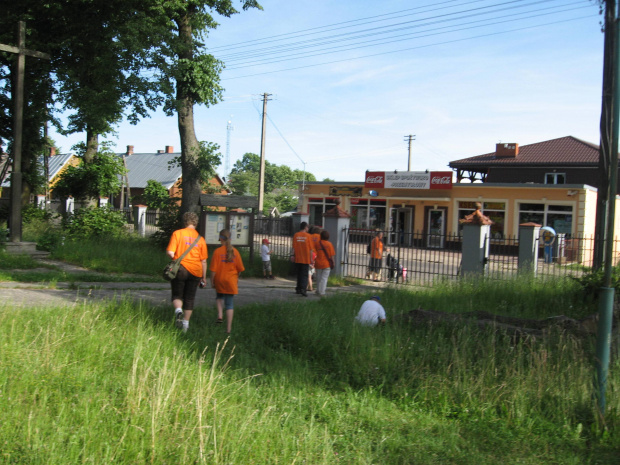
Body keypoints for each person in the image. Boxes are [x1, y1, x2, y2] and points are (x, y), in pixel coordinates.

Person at [166, 211, 208, 333]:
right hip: (196, 271)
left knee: (177, 295)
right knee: (190, 298)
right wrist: (204, 277)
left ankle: (178, 310)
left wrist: (174, 258)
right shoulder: (200, 239)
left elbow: (170, 252)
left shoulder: (177, 233)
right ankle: (185, 325)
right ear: (196, 223)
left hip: (181, 269)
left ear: (185, 221)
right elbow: (204, 261)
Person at [210, 229, 245, 334]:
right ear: (230, 238)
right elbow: (240, 269)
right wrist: (235, 278)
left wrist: (212, 281)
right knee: (229, 304)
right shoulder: (236, 252)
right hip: (231, 281)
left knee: (219, 297)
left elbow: (213, 270)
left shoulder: (217, 252)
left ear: (220, 238)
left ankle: (220, 315)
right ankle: (228, 329)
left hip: (219, 279)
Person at [292, 221, 314, 297]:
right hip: (306, 258)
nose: (308, 228)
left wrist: (292, 255)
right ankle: (303, 289)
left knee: (298, 274)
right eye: (307, 227)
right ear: (305, 227)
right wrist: (311, 259)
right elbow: (311, 249)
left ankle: (298, 288)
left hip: (298, 258)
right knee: (304, 275)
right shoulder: (308, 236)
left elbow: (294, 247)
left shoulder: (296, 235)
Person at [314, 229, 336, 297]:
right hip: (326, 264)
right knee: (324, 278)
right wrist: (333, 262)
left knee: (318, 277)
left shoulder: (317, 243)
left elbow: (314, 252)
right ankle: (322, 292)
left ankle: (318, 290)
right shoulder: (329, 244)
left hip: (318, 263)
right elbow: (332, 255)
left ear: (321, 236)